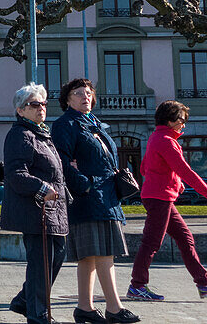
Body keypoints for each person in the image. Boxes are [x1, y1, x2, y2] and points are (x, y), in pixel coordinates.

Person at [52, 78, 139, 324]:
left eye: (88, 93)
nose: (85, 96)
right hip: (89, 198)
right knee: (103, 253)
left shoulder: (95, 123)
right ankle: (113, 307)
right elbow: (61, 161)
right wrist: (85, 184)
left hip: (106, 195)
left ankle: (84, 308)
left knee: (90, 256)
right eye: (78, 93)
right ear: (67, 99)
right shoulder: (65, 124)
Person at [128, 100, 207, 301]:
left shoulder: (156, 137)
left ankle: (204, 283)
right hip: (159, 198)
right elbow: (185, 170)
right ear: (170, 120)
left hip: (160, 196)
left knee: (185, 238)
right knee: (151, 242)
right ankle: (137, 286)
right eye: (181, 120)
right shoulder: (166, 141)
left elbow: (144, 168)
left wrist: (175, 182)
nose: (184, 125)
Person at [3, 83, 69, 324]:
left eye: (43, 103)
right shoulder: (20, 134)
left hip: (54, 209)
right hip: (35, 209)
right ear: (21, 110)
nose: (41, 108)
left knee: (57, 257)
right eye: (34, 104)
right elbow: (15, 173)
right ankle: (39, 315)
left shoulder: (42, 133)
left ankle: (24, 300)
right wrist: (42, 187)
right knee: (41, 263)